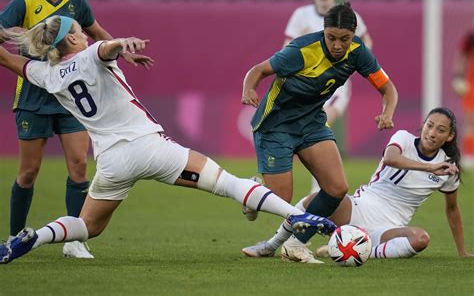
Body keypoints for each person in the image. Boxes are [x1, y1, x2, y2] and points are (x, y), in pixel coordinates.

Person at [0, 15, 337, 264]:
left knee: (89, 226)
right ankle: (296, 215)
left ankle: (36, 236)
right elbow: (106, 48)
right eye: (78, 31)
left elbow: (8, 59)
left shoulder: (45, 74)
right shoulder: (91, 54)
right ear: (72, 40)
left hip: (111, 162)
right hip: (148, 147)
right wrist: (123, 43)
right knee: (228, 183)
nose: (84, 35)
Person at [0, 0, 144, 258]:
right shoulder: (25, 1)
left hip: (70, 99)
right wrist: (26, 64)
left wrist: (122, 49)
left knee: (79, 166)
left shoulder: (76, 1)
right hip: (34, 97)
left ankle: (75, 240)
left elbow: (95, 31)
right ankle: (14, 237)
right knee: (28, 173)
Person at [240, 2, 398, 263]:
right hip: (276, 125)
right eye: (331, 38)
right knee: (280, 199)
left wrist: (387, 113)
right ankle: (251, 192)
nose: (337, 45)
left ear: (353, 35)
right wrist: (249, 90)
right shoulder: (301, 50)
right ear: (323, 32)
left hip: (312, 123)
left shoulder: (358, 51)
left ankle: (295, 244)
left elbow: (388, 88)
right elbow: (258, 70)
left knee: (336, 188)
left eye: (344, 39)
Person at [243, 107, 473, 260]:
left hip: (389, 227)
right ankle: (271, 245)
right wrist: (429, 167)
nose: (432, 133)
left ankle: (354, 247)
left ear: (450, 137)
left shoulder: (447, 168)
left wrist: (462, 251)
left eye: (440, 130)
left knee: (421, 239)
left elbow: (452, 210)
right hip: (361, 208)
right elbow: (391, 158)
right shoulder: (403, 138)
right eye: (429, 125)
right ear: (423, 125)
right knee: (318, 199)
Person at [284, 0, 373, 195]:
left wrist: (356, 62)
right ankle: (276, 181)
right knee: (299, 131)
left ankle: (319, 189)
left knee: (321, 122)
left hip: (337, 85)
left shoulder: (349, 16)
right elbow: (287, 46)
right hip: (307, 84)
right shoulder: (301, 16)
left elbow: (366, 41)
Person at [452, 28, 474, 168]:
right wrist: (458, 76)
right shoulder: (470, 37)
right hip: (472, 83)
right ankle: (469, 155)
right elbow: (461, 56)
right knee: (470, 120)